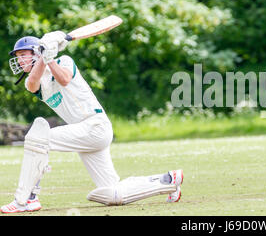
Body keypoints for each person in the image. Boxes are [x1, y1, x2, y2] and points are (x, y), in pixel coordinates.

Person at [1, 32, 183, 213]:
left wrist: (48, 57)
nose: (19, 61)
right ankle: (168, 180)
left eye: (23, 55)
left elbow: (63, 79)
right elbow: (32, 82)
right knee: (113, 194)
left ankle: (27, 199)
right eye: (18, 57)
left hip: (95, 125)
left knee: (37, 138)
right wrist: (45, 56)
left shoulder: (64, 61)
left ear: (35, 52)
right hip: (84, 133)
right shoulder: (34, 82)